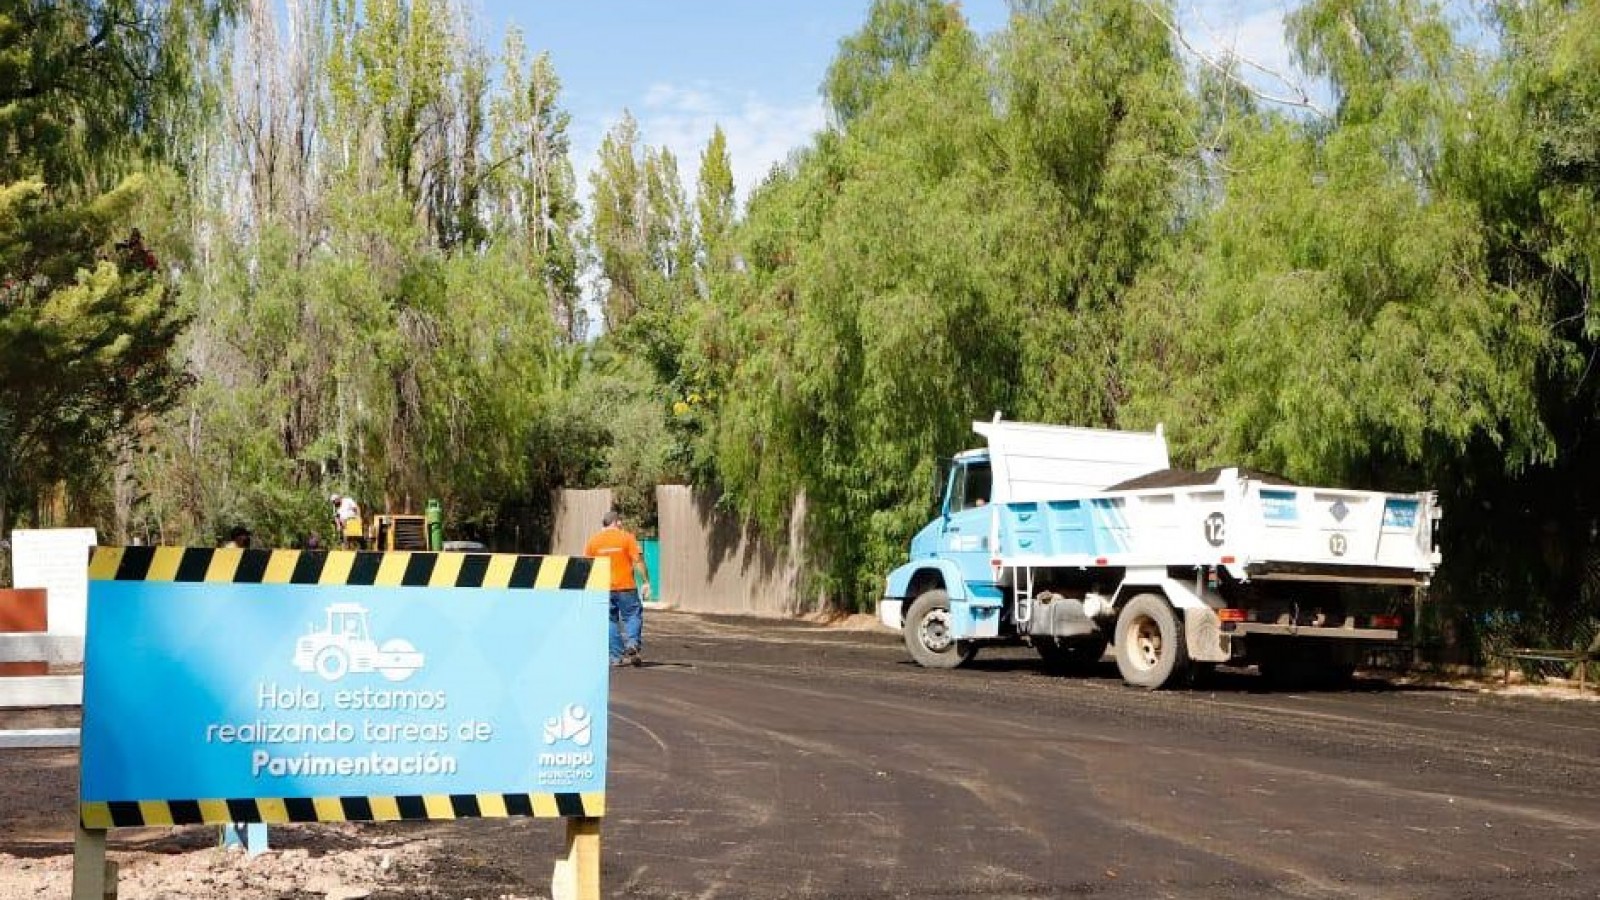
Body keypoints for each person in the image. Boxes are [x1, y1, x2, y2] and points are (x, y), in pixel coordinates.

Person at [583, 509, 652, 667]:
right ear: (616, 522)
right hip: (626, 586)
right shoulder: (627, 538)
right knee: (633, 615)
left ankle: (615, 657)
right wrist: (646, 582)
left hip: (603, 588)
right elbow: (638, 561)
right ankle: (632, 643)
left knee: (609, 620)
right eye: (620, 522)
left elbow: (587, 566)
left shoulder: (593, 541)